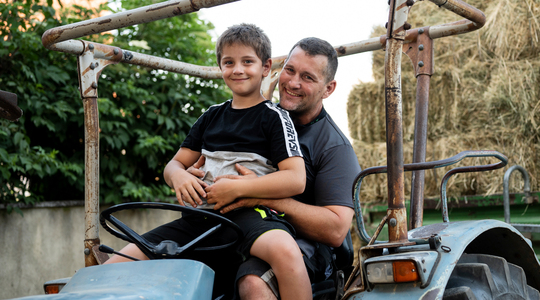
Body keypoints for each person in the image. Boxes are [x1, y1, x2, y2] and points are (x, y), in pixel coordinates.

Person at [105, 24, 312, 300]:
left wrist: (240, 189)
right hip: (198, 219)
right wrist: (179, 177)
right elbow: (174, 165)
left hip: (250, 214)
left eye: (247, 61)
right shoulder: (211, 116)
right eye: (229, 62)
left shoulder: (274, 117)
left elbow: (296, 179)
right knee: (117, 262)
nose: (237, 69)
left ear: (265, 68)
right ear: (220, 67)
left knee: (286, 252)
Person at [199, 37, 362, 299]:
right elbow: (203, 161)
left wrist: (256, 195)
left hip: (306, 247)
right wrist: (190, 175)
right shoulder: (260, 118)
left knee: (253, 282)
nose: (293, 83)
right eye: (290, 70)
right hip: (241, 228)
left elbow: (335, 230)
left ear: (328, 88)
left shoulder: (334, 147)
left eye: (308, 77)